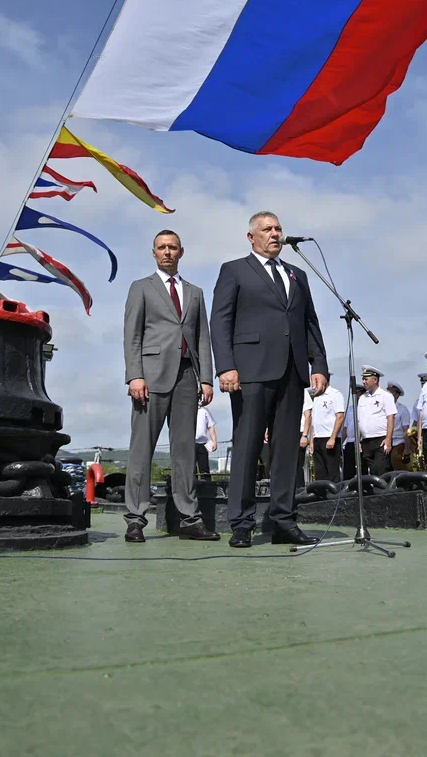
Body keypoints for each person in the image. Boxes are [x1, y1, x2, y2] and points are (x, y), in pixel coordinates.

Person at [211, 211, 329, 548]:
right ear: (251, 237)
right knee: (248, 448)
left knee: (287, 451)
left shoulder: (298, 274)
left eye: (278, 228)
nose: (275, 234)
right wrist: (226, 367)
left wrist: (318, 363)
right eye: (267, 229)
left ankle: (283, 521)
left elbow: (310, 323)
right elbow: (220, 321)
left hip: (291, 372)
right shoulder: (234, 270)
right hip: (250, 373)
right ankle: (242, 524)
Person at [122, 230, 219, 543]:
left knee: (184, 454)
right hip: (149, 379)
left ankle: (189, 519)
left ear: (181, 252)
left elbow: (203, 337)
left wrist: (206, 378)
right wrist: (134, 375)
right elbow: (132, 335)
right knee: (141, 451)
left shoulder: (196, 292)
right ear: (153, 253)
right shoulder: (141, 288)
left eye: (172, 248)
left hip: (187, 378)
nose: (167, 252)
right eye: (162, 248)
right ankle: (135, 520)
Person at [355, 366, 395, 476]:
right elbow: (359, 421)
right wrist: (358, 441)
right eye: (363, 379)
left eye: (366, 379)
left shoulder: (385, 396)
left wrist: (388, 439)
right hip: (366, 440)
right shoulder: (362, 398)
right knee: (371, 471)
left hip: (380, 439)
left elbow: (390, 418)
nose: (364, 382)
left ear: (375, 380)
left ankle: (384, 493)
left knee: (381, 468)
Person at [308, 381, 345, 482]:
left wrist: (333, 438)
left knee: (332, 471)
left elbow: (340, 416)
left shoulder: (335, 394)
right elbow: (314, 420)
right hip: (317, 437)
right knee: (320, 472)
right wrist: (312, 440)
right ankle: (322, 496)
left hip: (329, 437)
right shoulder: (316, 396)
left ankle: (334, 496)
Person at [387, 381, 411, 471]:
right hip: (385, 442)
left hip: (398, 442)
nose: (388, 395)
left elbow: (406, 430)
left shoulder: (402, 409)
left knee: (398, 466)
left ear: (397, 395)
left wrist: (407, 448)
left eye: (391, 392)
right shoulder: (382, 409)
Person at [194, 404, 217, 478]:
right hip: (190, 444)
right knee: (191, 469)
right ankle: (192, 488)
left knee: (204, 469)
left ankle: (207, 487)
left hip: (203, 444)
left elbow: (211, 427)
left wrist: (214, 441)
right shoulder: (187, 410)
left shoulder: (205, 411)